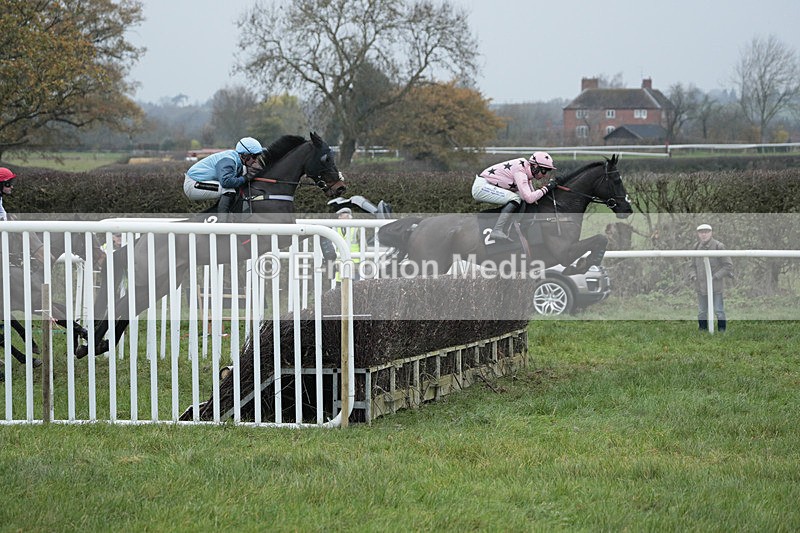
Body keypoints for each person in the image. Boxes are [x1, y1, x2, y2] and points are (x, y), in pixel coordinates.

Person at [471, 151, 559, 240]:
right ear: (535, 167)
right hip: (481, 187)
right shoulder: (520, 171)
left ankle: (511, 225)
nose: (544, 175)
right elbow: (529, 198)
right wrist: (547, 188)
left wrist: (548, 190)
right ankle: (497, 230)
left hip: (487, 185)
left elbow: (533, 200)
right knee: (515, 198)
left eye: (547, 172)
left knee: (519, 198)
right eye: (544, 171)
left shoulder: (526, 174)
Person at [183, 137, 264, 221]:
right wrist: (246, 177)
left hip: (200, 182)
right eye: (254, 157)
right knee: (228, 190)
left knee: (236, 188)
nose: (255, 161)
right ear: (244, 155)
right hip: (193, 184)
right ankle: (223, 225)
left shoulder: (237, 160)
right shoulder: (229, 160)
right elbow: (226, 182)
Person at [687, 223, 733, 332]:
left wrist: (716, 276)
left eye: (706, 232)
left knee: (719, 310)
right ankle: (702, 330)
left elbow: (728, 265)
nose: (704, 234)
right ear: (698, 234)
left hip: (716, 286)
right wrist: (693, 276)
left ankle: (722, 331)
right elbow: (691, 266)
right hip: (701, 286)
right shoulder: (696, 247)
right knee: (702, 311)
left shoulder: (719, 246)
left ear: (711, 233)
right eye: (701, 232)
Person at [334, 207, 361, 282]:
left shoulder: (356, 228)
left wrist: (363, 260)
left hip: (354, 261)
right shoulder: (336, 228)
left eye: (341, 216)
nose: (339, 218)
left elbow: (363, 246)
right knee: (340, 285)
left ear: (348, 217)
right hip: (340, 261)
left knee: (355, 286)